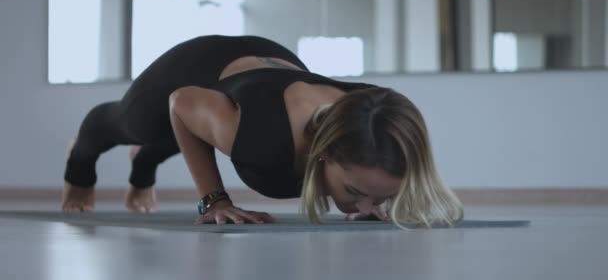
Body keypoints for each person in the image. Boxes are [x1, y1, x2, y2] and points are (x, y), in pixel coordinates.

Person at [62, 35, 463, 228]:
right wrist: (213, 201)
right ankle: (79, 165)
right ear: (323, 154)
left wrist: (381, 198)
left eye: (382, 196)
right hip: (197, 67)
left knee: (196, 134)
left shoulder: (383, 123)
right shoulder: (264, 138)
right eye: (356, 193)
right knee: (131, 124)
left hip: (277, 67)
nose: (365, 209)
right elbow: (181, 103)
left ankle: (145, 161)